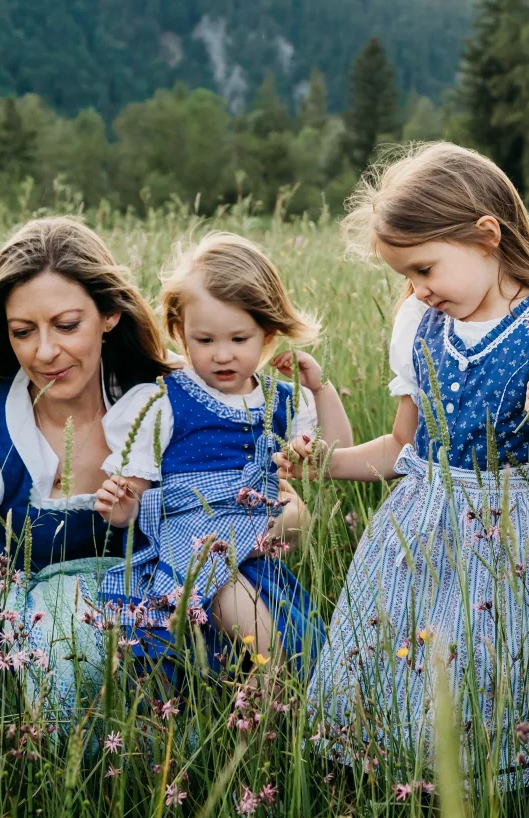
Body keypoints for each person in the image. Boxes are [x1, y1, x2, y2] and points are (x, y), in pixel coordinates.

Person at [278, 142, 529, 784]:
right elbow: (402, 450)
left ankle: (502, 798)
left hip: (520, 537)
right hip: (424, 537)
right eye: (406, 278)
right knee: (418, 671)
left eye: (424, 268)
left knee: (497, 668)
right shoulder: (419, 325)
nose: (417, 289)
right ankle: (406, 787)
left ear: (486, 236)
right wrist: (325, 464)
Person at [0, 217, 173, 720]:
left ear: (110, 315)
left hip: (164, 633)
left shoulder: (167, 402)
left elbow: (286, 517)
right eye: (23, 332)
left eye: (67, 325)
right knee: (62, 623)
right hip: (40, 648)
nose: (45, 351)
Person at [95, 232, 351, 678]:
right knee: (223, 579)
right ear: (179, 333)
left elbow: (338, 453)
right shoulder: (163, 400)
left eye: (239, 338)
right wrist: (121, 509)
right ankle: (270, 674)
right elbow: (136, 497)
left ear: (267, 334)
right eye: (205, 339)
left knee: (293, 538)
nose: (223, 354)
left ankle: (280, 681)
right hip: (193, 537)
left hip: (257, 532)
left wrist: (320, 388)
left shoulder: (281, 398)